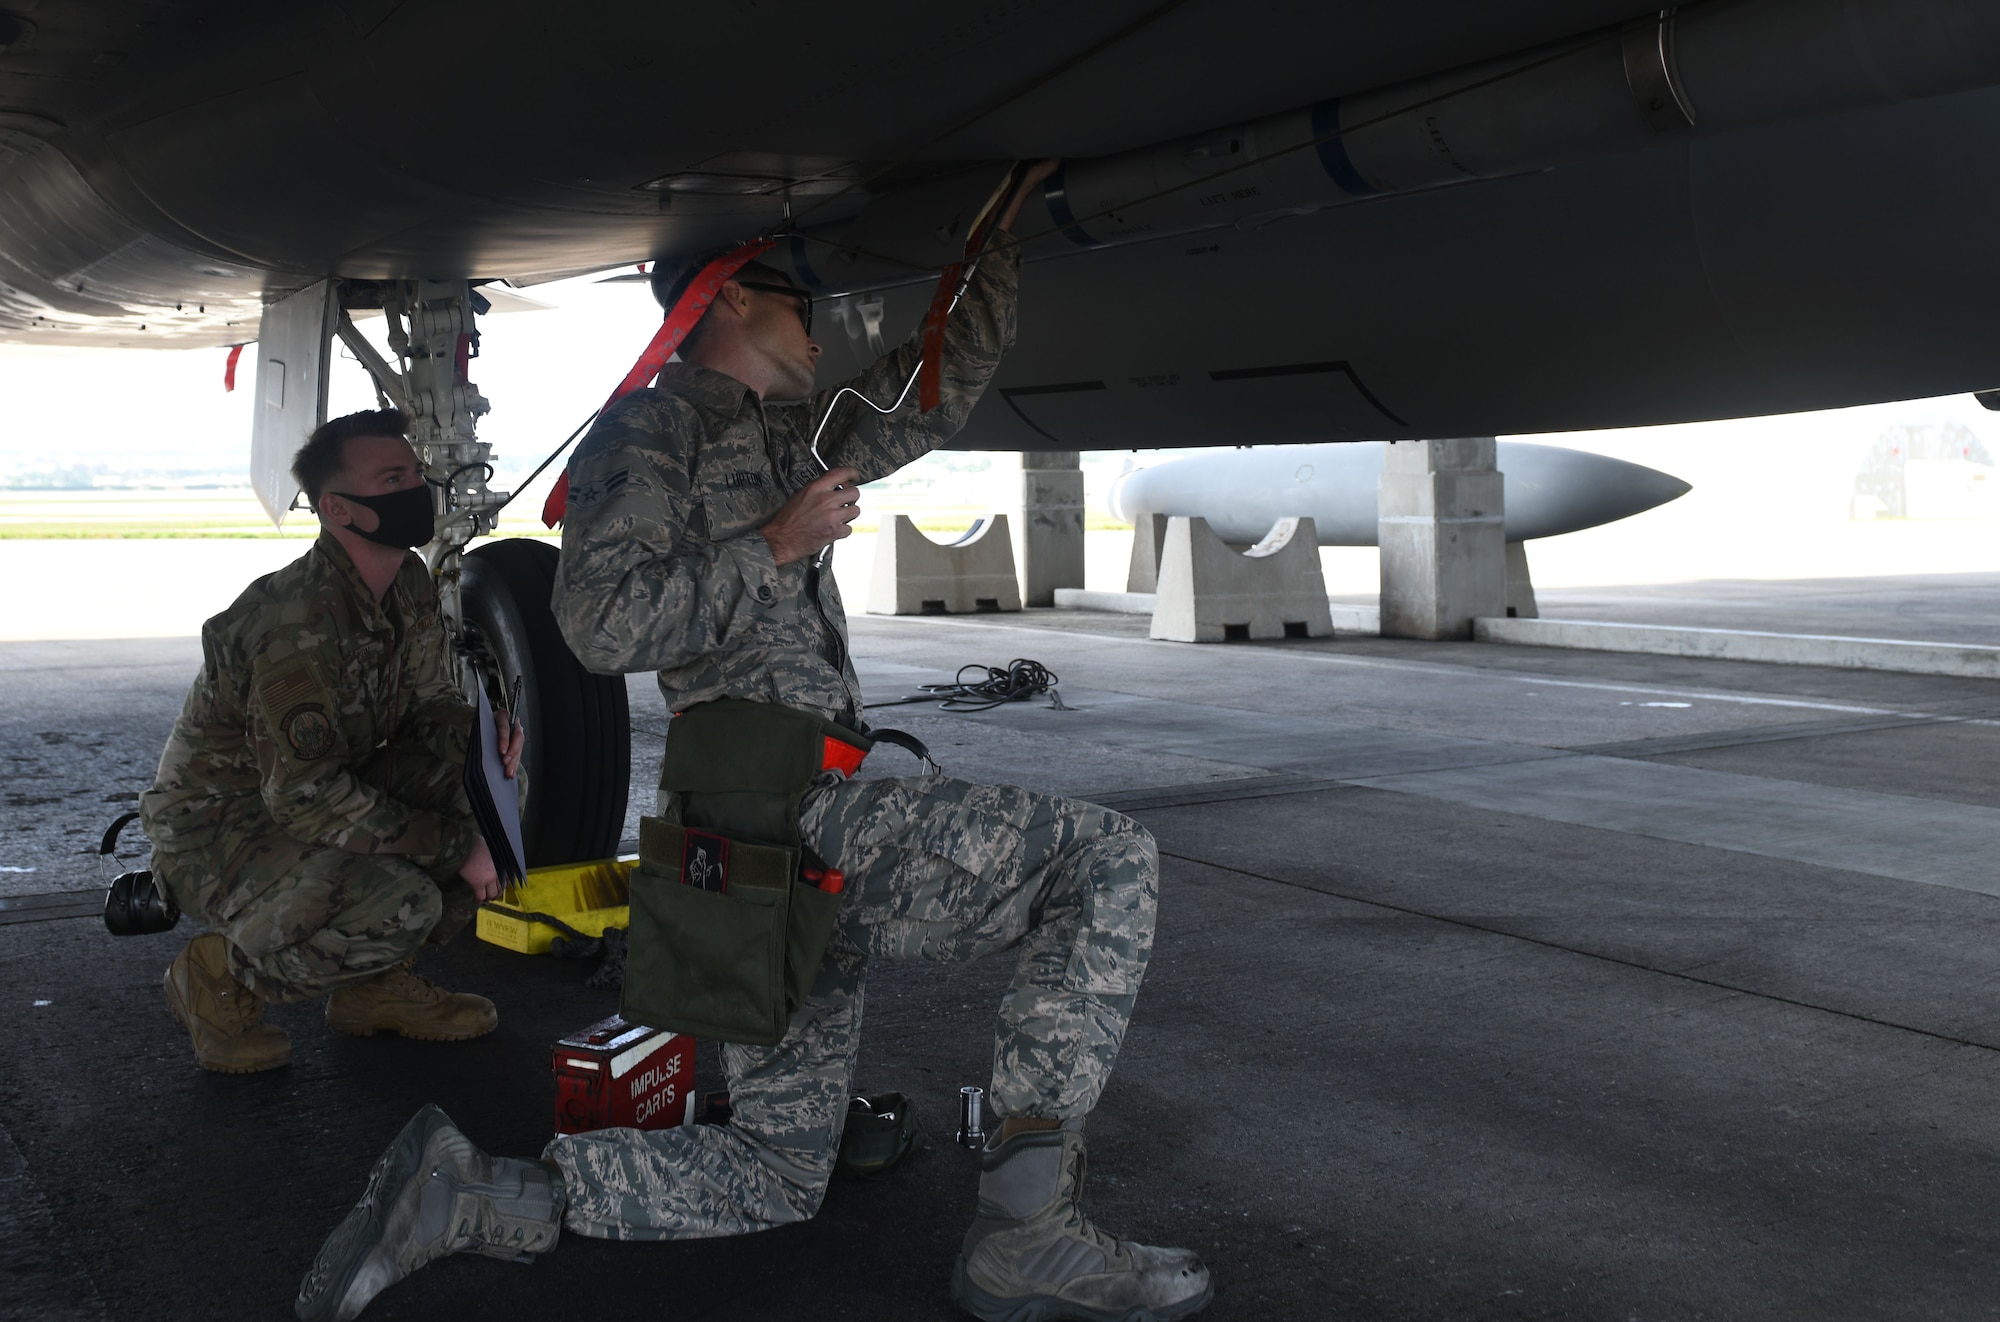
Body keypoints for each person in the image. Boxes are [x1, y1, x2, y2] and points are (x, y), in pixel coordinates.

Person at [295, 164, 1214, 1322]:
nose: (822, 333)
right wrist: (774, 546)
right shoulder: (648, 432)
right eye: (800, 305)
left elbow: (924, 395)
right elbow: (598, 621)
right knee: (1104, 861)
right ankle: (1027, 1233)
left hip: (764, 843)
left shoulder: (781, 436)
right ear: (729, 301)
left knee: (776, 1167)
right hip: (772, 804)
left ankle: (480, 1191)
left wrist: (993, 247)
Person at [140, 408, 522, 1074]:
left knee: (474, 791)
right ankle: (221, 974)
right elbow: (306, 798)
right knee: (409, 900)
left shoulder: (405, 583)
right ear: (339, 510)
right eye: (395, 477)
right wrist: (456, 848)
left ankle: (372, 987)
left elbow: (429, 703)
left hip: (321, 790)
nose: (418, 488)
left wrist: (482, 743)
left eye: (416, 472)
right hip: (223, 831)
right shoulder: (291, 622)